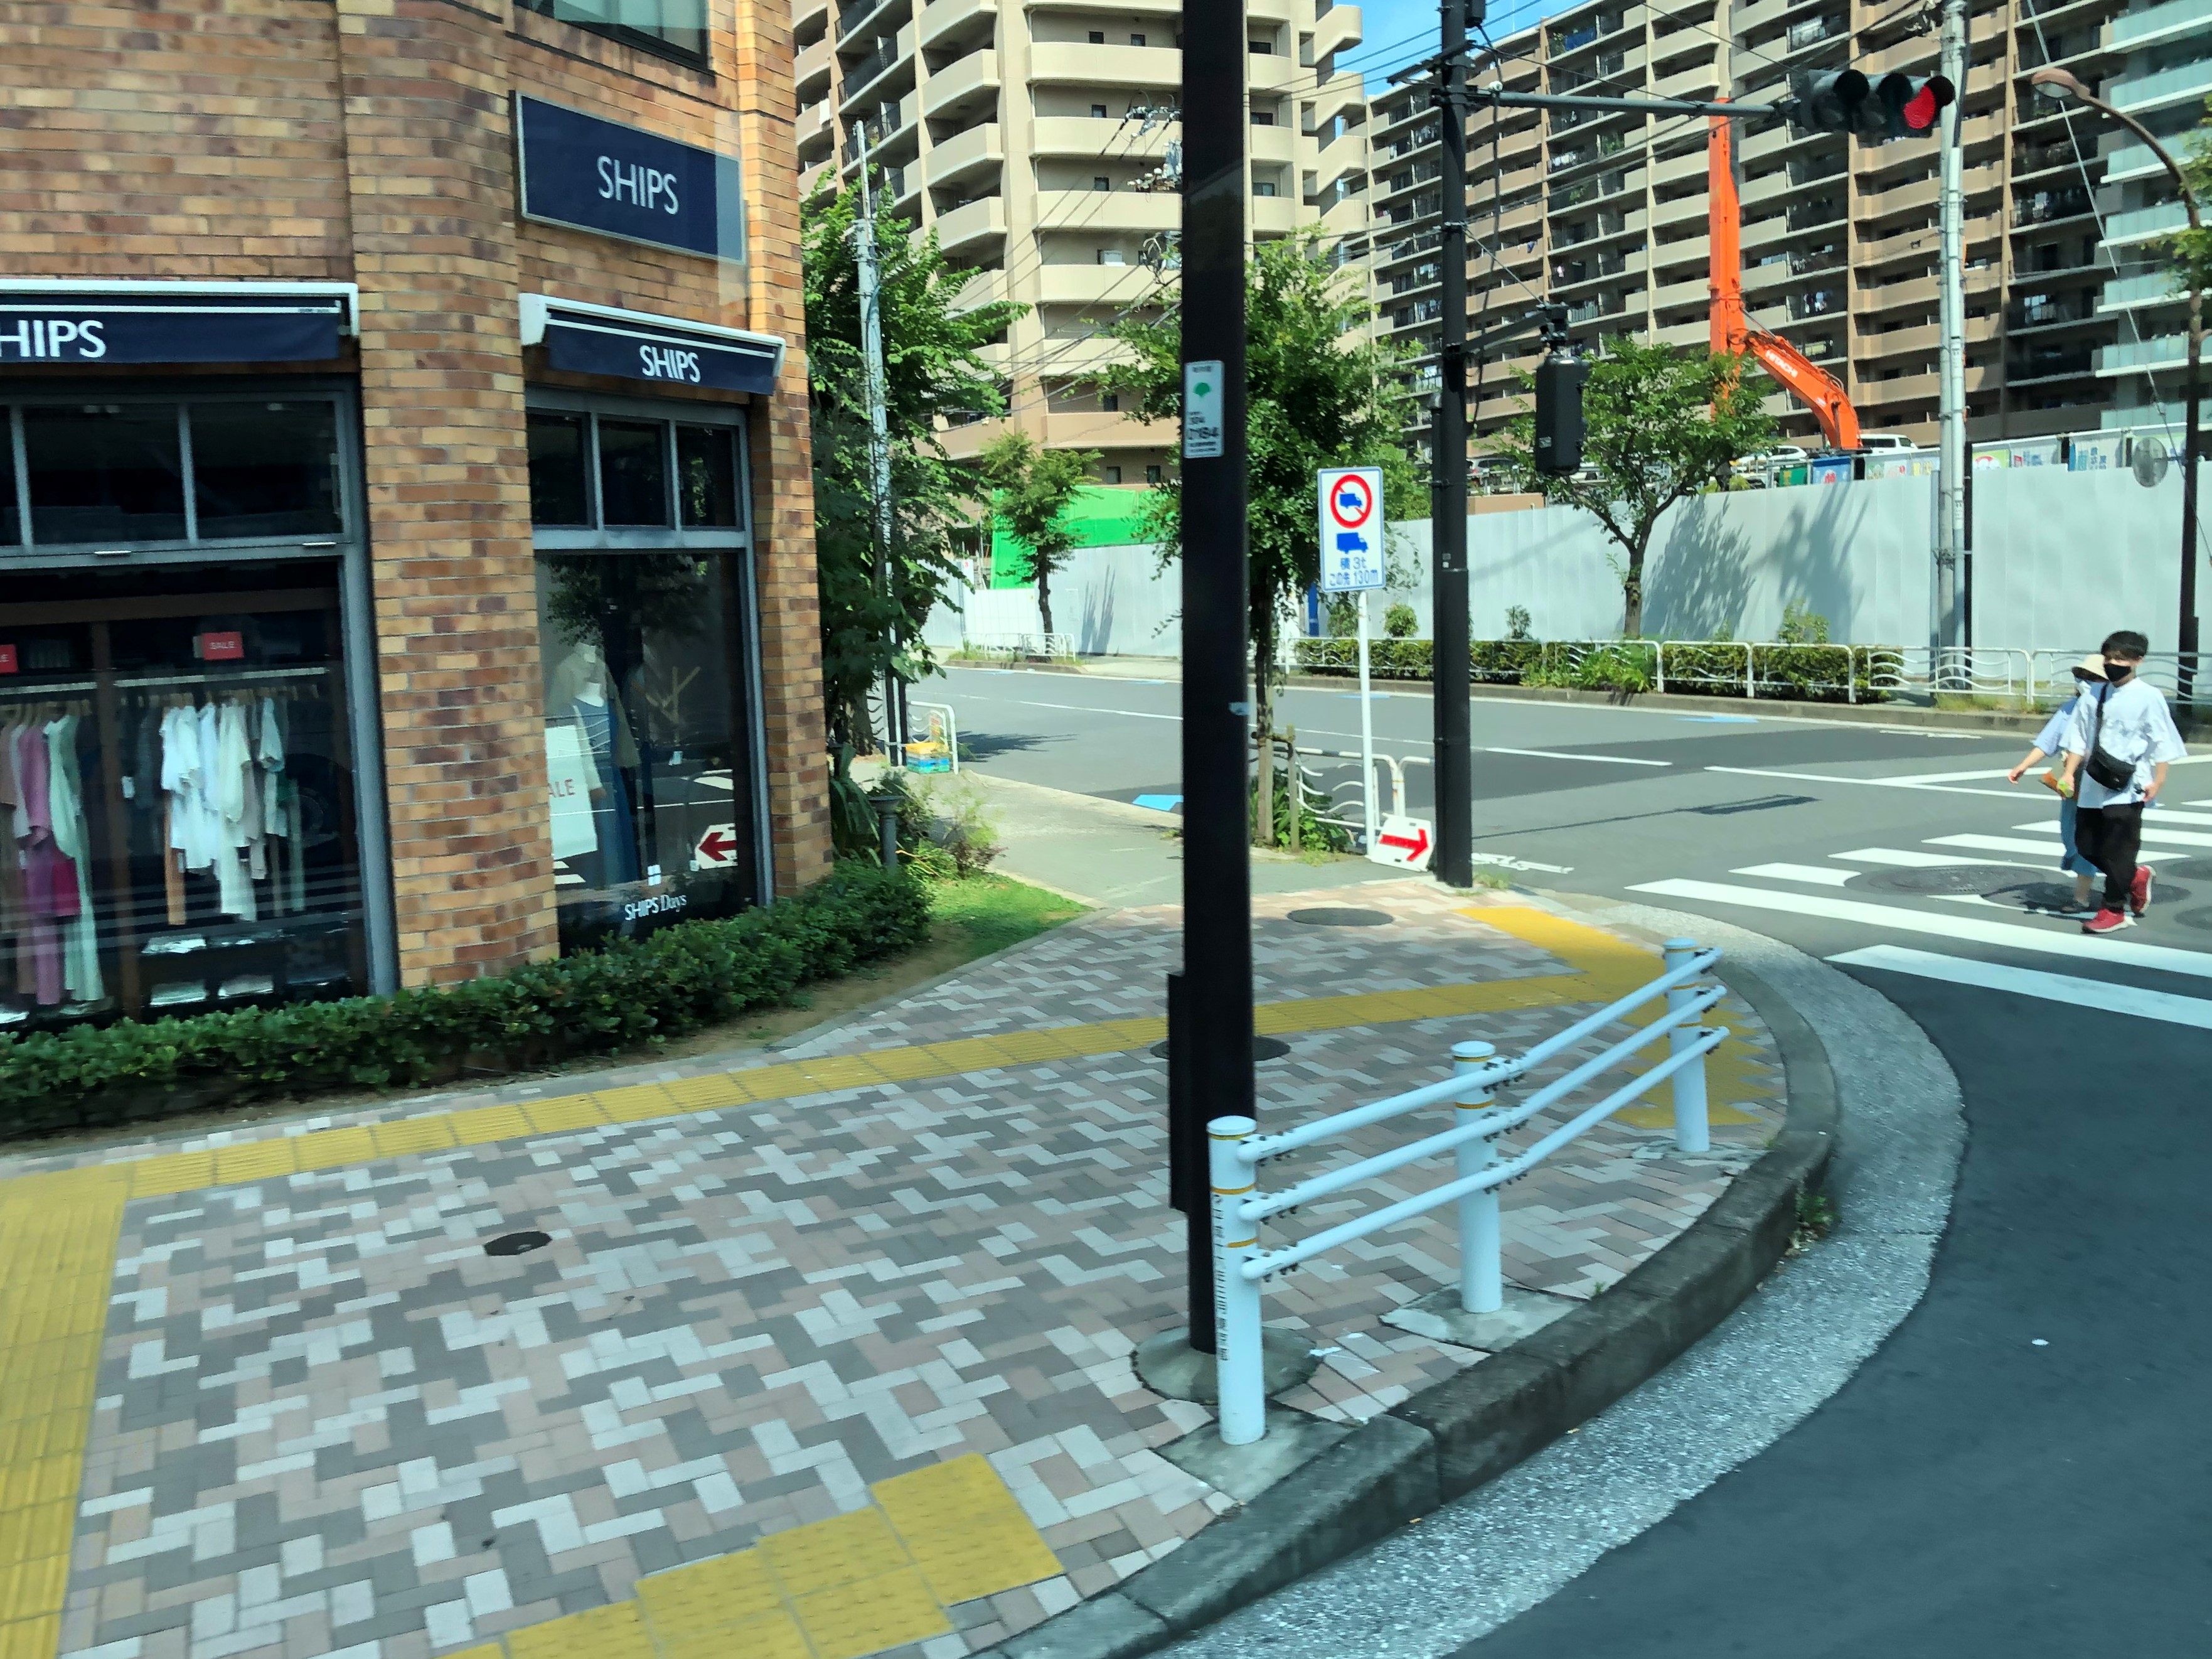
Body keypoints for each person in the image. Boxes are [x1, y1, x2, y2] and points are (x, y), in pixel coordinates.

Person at [2060, 630, 2187, 935]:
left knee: (2118, 850)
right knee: (2086, 846)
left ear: (2138, 661)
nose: (2113, 664)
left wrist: (2158, 781)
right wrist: (2068, 774)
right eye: (2109, 658)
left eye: (2120, 659)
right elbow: (2078, 738)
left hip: (2129, 785)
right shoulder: (2094, 694)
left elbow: (2162, 740)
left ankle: (2114, 910)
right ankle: (2135, 876)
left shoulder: (2149, 696)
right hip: (2093, 782)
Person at [2006, 653, 2105, 920]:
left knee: (2094, 838)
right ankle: (2133, 877)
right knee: (2071, 836)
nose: (2084, 681)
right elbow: (2047, 742)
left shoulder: (2112, 708)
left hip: (2104, 783)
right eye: (2081, 676)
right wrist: (2023, 766)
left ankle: (2082, 897)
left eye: (2092, 677)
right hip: (2072, 782)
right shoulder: (2071, 707)